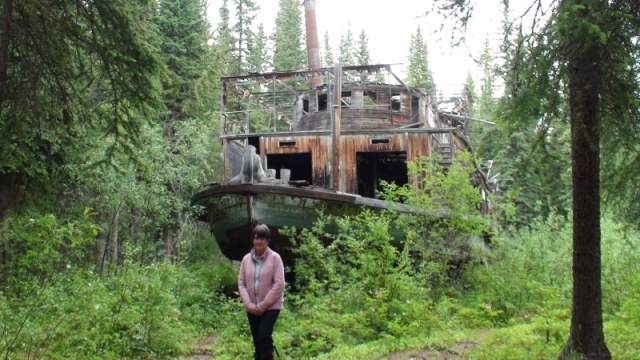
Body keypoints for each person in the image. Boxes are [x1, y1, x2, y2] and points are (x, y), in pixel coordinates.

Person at [238, 224, 285, 360]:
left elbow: (279, 284)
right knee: (256, 337)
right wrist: (249, 305)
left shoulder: (275, 258)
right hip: (252, 306)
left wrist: (263, 305)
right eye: (256, 238)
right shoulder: (246, 260)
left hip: (271, 306)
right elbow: (241, 283)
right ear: (253, 240)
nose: (259, 241)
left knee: (264, 335)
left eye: (262, 239)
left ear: (267, 241)